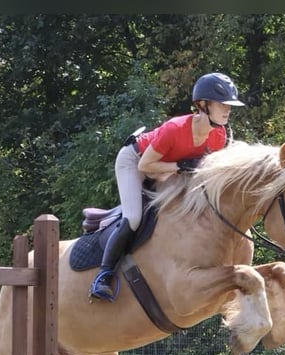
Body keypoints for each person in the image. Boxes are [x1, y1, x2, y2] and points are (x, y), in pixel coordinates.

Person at [89, 72, 246, 301]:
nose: (228, 109)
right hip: (135, 161)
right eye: (222, 104)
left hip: (170, 169)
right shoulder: (175, 128)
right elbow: (147, 166)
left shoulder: (218, 135)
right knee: (133, 217)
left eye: (229, 105)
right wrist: (181, 165)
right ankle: (103, 275)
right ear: (203, 105)